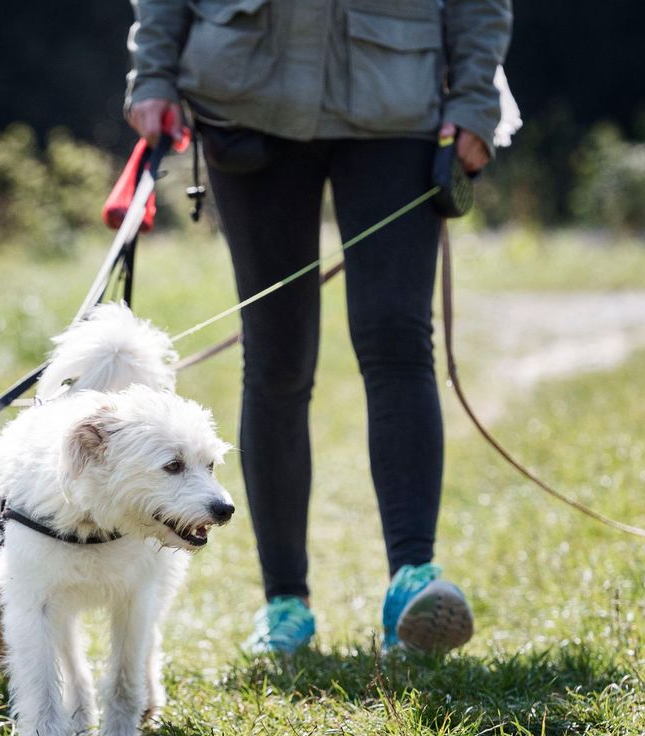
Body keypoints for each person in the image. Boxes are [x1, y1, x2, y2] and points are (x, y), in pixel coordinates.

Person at [125, 0, 513, 654]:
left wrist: (474, 99)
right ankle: (284, 605)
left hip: (398, 105)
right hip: (247, 100)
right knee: (276, 357)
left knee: (398, 341)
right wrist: (154, 76)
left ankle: (413, 582)